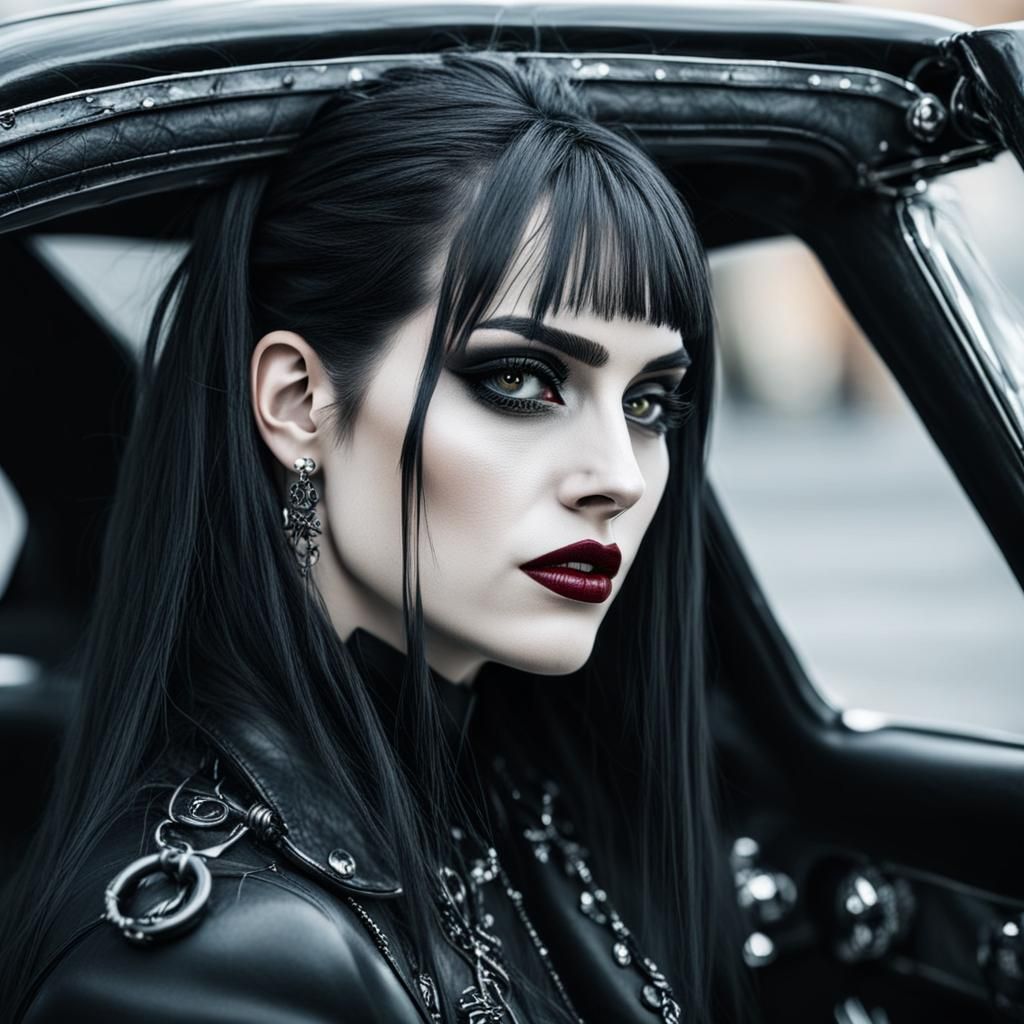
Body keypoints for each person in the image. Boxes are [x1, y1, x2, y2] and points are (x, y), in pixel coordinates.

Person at [0, 50, 754, 1023]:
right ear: (299, 400)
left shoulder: (523, 791)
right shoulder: (211, 966)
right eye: (520, 379)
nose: (615, 474)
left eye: (649, 399)